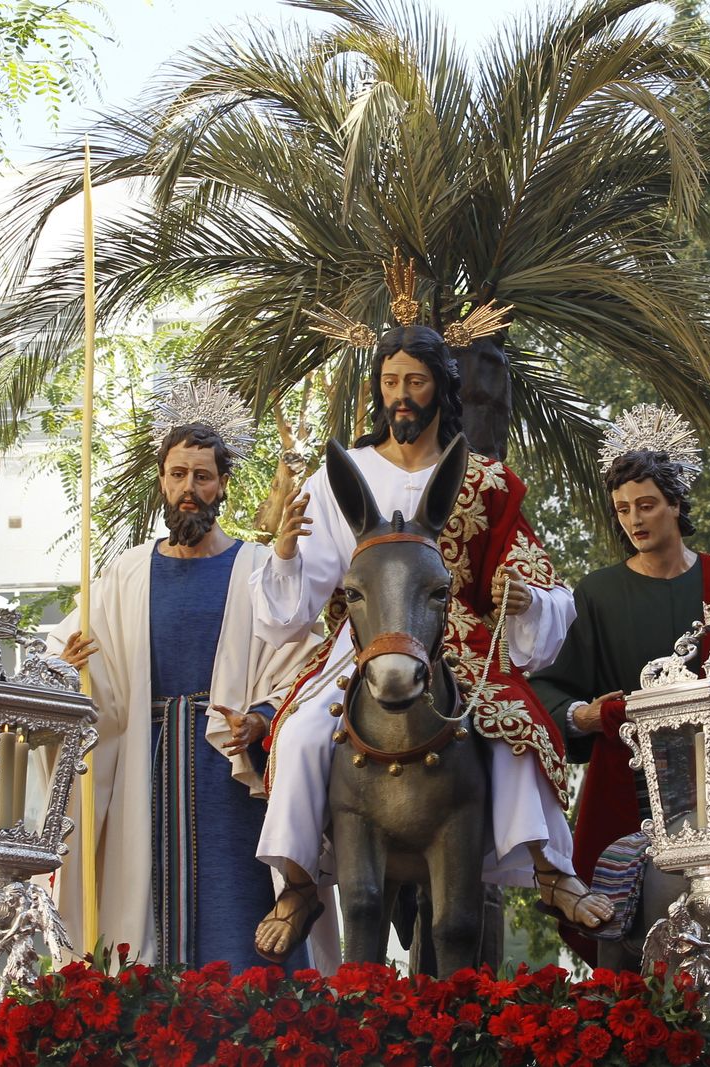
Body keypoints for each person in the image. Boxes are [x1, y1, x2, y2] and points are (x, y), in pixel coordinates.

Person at [250, 267, 613, 963]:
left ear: (439, 385)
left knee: (512, 730)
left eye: (415, 381)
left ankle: (549, 865)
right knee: (297, 737)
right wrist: (290, 553)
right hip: (362, 640)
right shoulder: (342, 475)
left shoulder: (485, 477)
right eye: (390, 382)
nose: (401, 396)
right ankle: (296, 880)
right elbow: (313, 588)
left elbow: (532, 569)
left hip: (460, 637)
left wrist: (526, 599)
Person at [51, 380, 322, 971]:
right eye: (178, 475)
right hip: (144, 768)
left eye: (203, 476)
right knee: (141, 918)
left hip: (233, 770)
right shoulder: (126, 573)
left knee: (242, 918)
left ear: (223, 484)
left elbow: (305, 661)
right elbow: (69, 650)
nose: (189, 490)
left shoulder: (256, 567)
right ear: (163, 482)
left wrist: (262, 718)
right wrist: (71, 671)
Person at [530, 403, 710, 965]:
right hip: (625, 782)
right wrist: (585, 715)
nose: (634, 520)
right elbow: (549, 691)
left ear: (676, 505)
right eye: (622, 510)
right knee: (619, 931)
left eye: (647, 506)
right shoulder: (597, 594)